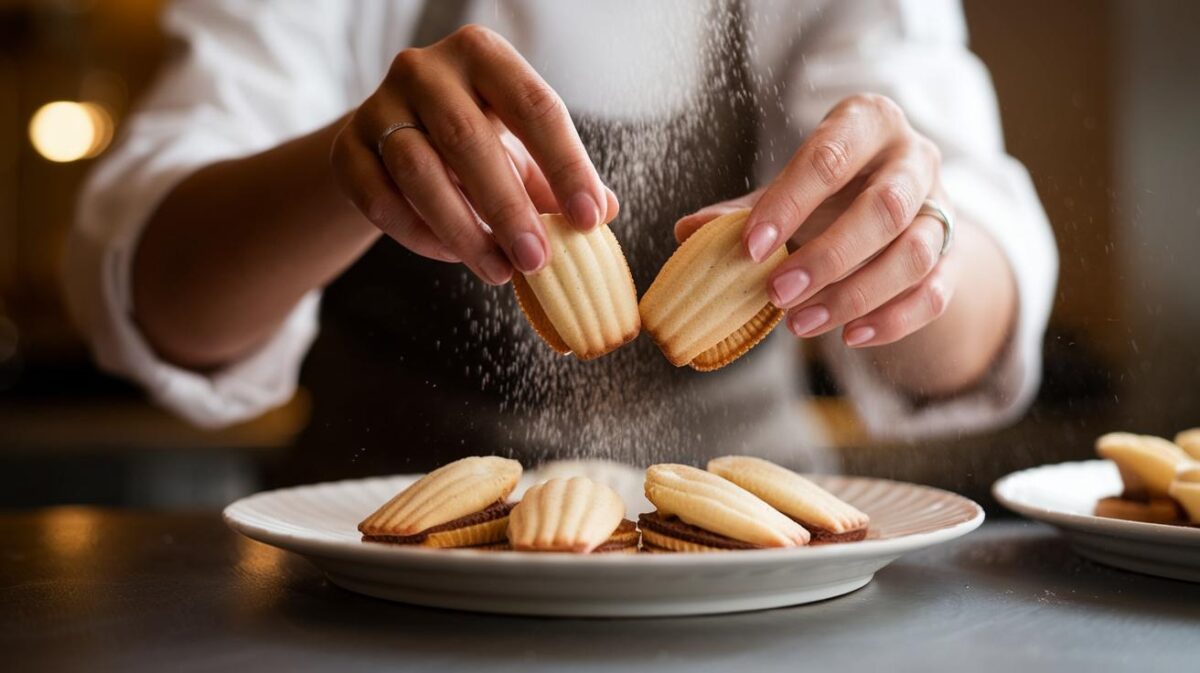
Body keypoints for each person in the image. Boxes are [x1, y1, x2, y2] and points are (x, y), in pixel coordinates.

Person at [65, 0, 1057, 481]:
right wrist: (347, 168)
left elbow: (970, 317)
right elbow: (159, 300)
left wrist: (910, 244)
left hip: (754, 575)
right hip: (383, 576)